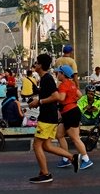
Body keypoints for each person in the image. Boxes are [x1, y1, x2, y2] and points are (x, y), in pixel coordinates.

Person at [26, 53, 79, 183]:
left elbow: (56, 96)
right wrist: (37, 99)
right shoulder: (45, 79)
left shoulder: (47, 79)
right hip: (50, 117)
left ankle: (45, 174)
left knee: (37, 145)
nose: (35, 65)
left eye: (37, 63)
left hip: (47, 118)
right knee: (47, 146)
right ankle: (72, 158)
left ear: (41, 65)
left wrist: (39, 102)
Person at [54, 64, 93, 170]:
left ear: (63, 74)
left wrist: (53, 96)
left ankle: (86, 159)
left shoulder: (63, 85)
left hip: (69, 112)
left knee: (75, 138)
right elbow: (80, 96)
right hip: (72, 111)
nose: (57, 74)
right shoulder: (71, 84)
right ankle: (66, 158)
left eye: (58, 73)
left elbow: (61, 98)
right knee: (59, 135)